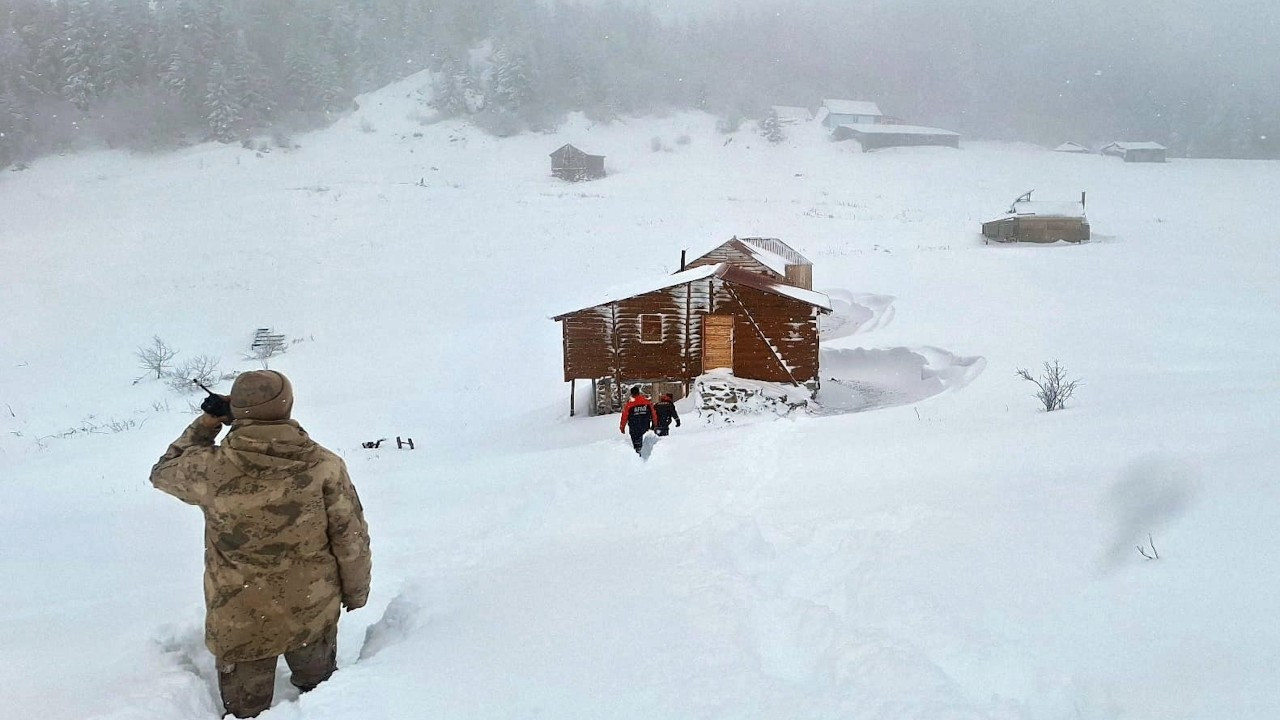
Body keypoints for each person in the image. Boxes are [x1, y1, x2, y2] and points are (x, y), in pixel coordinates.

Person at [149, 370, 371, 718]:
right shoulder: (325, 465)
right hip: (312, 609)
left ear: (235, 410)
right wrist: (356, 592)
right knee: (325, 701)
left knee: (246, 714)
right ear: (287, 406)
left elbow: (163, 471)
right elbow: (350, 537)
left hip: (241, 619)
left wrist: (207, 424)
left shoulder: (210, 469)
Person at [618, 385, 656, 454]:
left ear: (632, 394)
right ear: (639, 393)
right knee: (644, 443)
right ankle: (645, 456)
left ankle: (638, 457)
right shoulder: (647, 402)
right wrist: (655, 423)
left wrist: (622, 427)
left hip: (634, 427)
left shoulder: (629, 405)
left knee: (636, 446)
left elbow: (624, 417)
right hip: (645, 426)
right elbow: (653, 413)